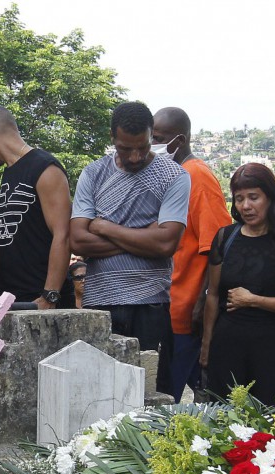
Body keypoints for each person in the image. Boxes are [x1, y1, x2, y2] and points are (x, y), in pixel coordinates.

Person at [69, 102, 190, 360]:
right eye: (125, 149)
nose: (135, 157)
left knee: (147, 392)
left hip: (150, 304)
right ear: (113, 138)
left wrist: (102, 226)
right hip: (100, 302)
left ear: (151, 136)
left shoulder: (175, 177)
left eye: (143, 147)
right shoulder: (93, 174)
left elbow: (166, 245)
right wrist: (144, 235)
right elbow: (78, 240)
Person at [200, 163, 275, 419]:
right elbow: (213, 294)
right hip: (227, 346)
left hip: (273, 348)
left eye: (253, 197)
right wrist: (207, 346)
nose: (246, 206)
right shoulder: (225, 238)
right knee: (225, 423)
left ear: (270, 197)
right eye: (239, 199)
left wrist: (254, 300)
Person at [151, 107, 233, 402]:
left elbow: (219, 245)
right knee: (166, 396)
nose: (152, 144)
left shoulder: (197, 176)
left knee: (200, 395)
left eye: (158, 138)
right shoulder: (172, 174)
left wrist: (203, 302)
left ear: (180, 139)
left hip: (189, 310)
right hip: (169, 305)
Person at [0, 105, 72, 309]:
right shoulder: (9, 173)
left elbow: (63, 235)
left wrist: (50, 296)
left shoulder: (45, 167)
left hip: (41, 299)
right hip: (10, 299)